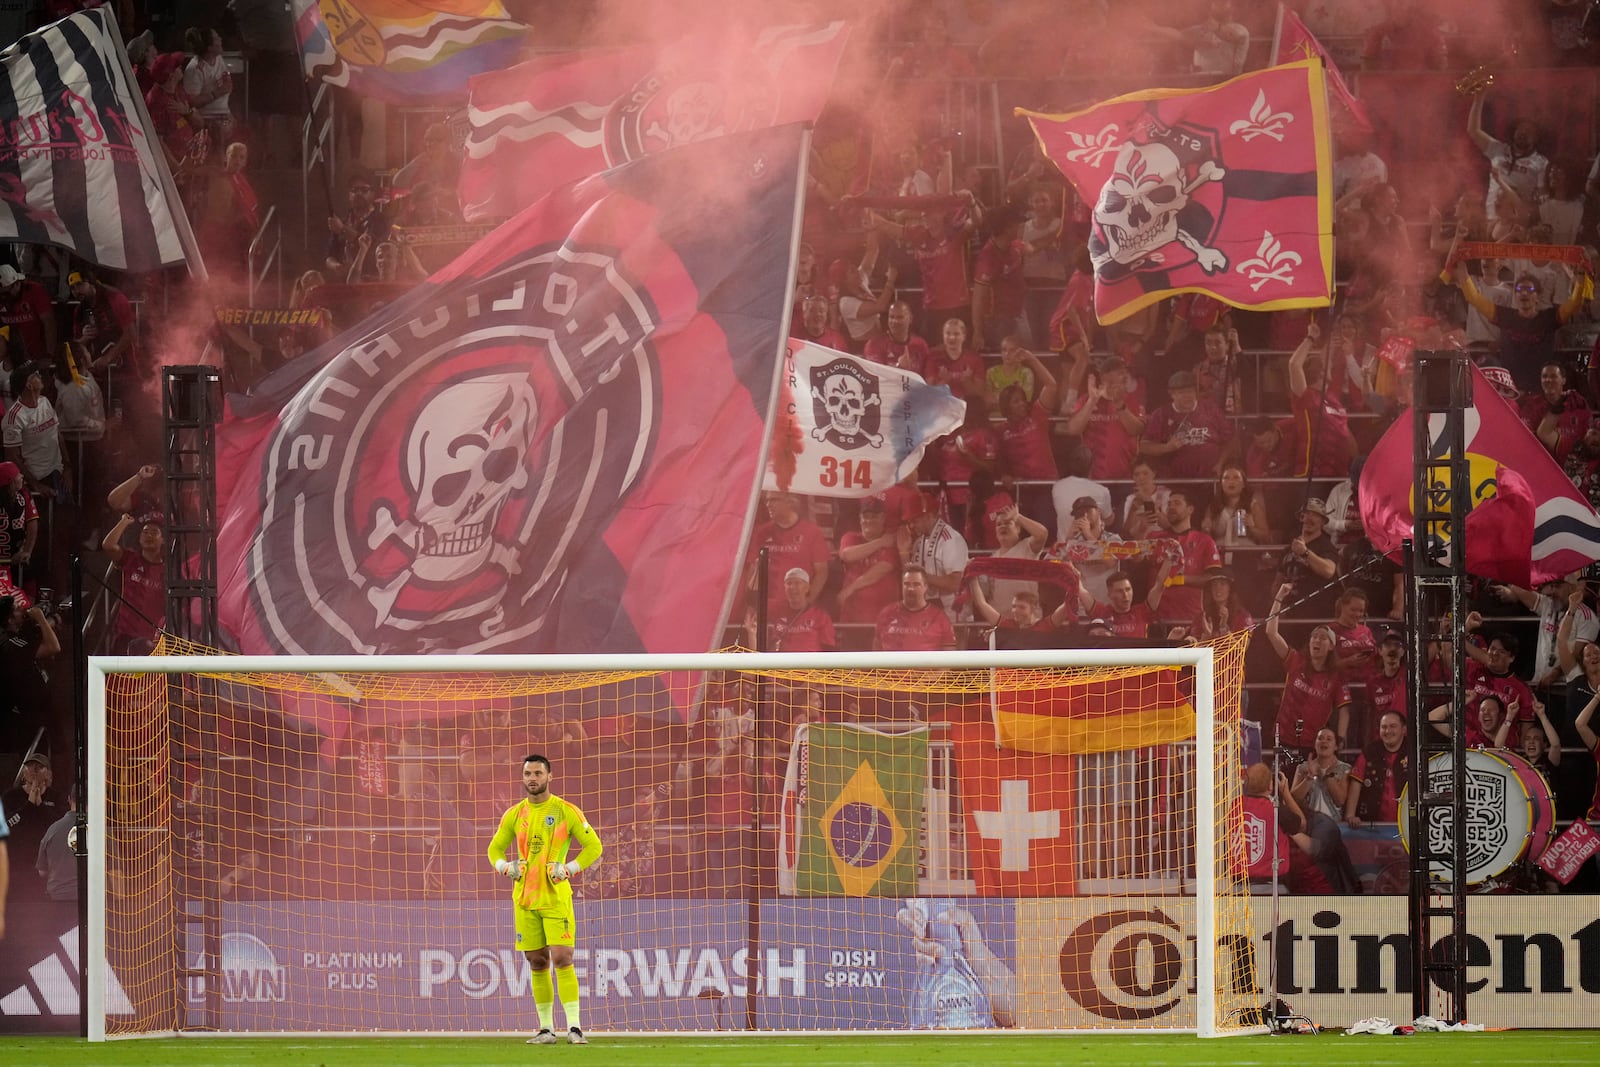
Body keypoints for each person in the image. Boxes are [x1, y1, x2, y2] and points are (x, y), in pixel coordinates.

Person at [486, 754, 603, 1046]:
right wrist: (505, 867)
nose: (532, 778)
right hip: (525, 899)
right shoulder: (514, 814)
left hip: (556, 899)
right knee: (537, 961)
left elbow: (594, 846)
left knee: (562, 958)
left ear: (550, 776)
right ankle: (546, 1029)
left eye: (538, 773)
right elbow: (494, 849)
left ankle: (574, 1028)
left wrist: (569, 869)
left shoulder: (565, 811)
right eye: (527, 773)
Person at [1266, 584, 1353, 752]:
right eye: (1314, 637)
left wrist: (1340, 740)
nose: (1317, 640)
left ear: (1331, 647)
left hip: (1312, 746)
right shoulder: (1296, 660)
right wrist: (1278, 599)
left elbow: (1345, 710)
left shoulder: (1336, 677)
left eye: (1323, 638)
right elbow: (1271, 632)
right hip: (1282, 738)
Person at [2, 753, 64, 902]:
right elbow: (6, 825)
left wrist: (40, 806)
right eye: (30, 766)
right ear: (24, 772)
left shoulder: (56, 797)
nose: (34, 770)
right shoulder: (11, 796)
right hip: (18, 864)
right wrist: (29, 806)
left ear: (48, 773)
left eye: (39, 767)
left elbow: (61, 826)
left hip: (48, 865)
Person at [102, 514, 166, 654]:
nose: (149, 535)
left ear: (163, 540)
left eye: (154, 532)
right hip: (124, 637)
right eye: (145, 532)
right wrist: (123, 522)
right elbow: (108, 546)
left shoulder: (168, 571)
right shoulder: (130, 559)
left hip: (152, 642)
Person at [1345, 711, 1410, 830]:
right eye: (1384, 727)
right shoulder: (1369, 752)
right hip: (1372, 826)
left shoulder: (1414, 751)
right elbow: (1356, 783)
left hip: (1408, 825)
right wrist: (1350, 815)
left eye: (1393, 726)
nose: (1388, 731)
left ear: (1404, 729)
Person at [875, 564, 956, 651]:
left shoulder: (939, 618)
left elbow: (950, 656)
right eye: (907, 584)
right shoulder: (886, 613)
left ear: (925, 587)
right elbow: (876, 650)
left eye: (916, 584)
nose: (911, 589)